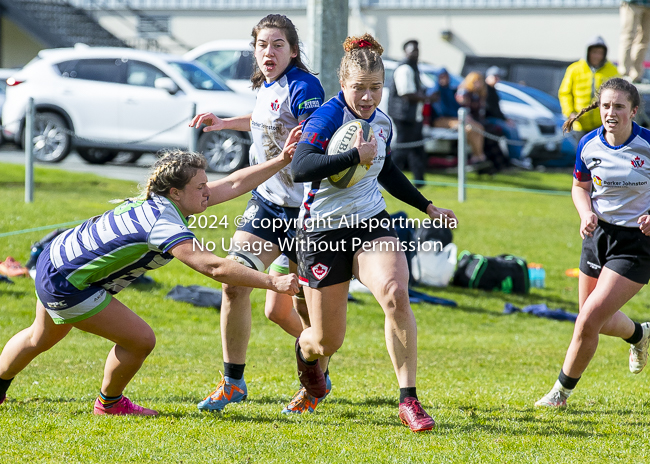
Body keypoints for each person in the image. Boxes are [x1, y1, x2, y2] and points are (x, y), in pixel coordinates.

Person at [0, 150, 300, 415]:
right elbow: (214, 267)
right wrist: (272, 282)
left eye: (207, 183)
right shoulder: (163, 224)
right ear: (176, 192)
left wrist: (282, 160)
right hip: (68, 281)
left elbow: (233, 183)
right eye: (201, 186)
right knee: (140, 340)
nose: (208, 191)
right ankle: (110, 404)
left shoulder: (160, 201)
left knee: (38, 338)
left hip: (55, 260)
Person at [291, 33, 457, 432]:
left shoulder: (382, 122)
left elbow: (384, 168)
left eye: (376, 88)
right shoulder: (328, 117)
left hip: (370, 220)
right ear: (343, 84)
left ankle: (409, 401)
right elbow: (301, 167)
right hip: (323, 230)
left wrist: (426, 206)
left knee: (397, 294)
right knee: (327, 341)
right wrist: (352, 156)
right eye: (359, 89)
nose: (368, 98)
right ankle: (309, 363)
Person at [189, 14, 330, 415]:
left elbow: (311, 134)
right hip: (267, 204)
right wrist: (225, 124)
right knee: (234, 284)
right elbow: (265, 122)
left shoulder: (305, 86)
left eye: (278, 44)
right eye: (262, 45)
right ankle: (233, 382)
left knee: (292, 308)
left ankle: (314, 376)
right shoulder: (267, 86)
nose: (269, 52)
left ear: (293, 50)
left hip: (308, 214)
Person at [535, 77, 650, 408]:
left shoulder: (647, 145)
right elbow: (580, 187)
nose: (610, 112)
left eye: (618, 106)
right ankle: (641, 335)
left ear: (634, 111)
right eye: (605, 105)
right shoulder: (588, 145)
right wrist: (585, 213)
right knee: (591, 318)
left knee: (588, 321)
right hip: (597, 236)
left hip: (636, 243)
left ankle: (560, 393)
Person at [558, 36, 619, 139]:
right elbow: (565, 93)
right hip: (580, 125)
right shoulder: (574, 69)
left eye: (600, 53)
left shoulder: (613, 70)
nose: (597, 56)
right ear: (588, 52)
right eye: (594, 52)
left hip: (603, 124)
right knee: (581, 153)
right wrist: (570, 113)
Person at [387, 40, 428, 186]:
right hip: (403, 115)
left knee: (417, 149)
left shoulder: (414, 68)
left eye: (417, 50)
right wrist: (427, 98)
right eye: (413, 50)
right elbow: (406, 94)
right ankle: (390, 178)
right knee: (402, 149)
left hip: (413, 115)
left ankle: (420, 181)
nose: (416, 53)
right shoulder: (405, 68)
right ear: (406, 52)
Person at [430, 69, 486, 167]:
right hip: (440, 120)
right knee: (468, 128)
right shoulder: (435, 91)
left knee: (479, 127)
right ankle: (477, 156)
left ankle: (478, 155)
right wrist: (458, 116)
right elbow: (442, 110)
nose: (444, 80)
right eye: (442, 77)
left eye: (446, 77)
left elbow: (456, 107)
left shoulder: (449, 91)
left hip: (453, 118)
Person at [484, 66, 522, 161]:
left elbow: (497, 110)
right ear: (488, 77)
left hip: (495, 118)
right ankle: (515, 157)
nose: (497, 79)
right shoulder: (485, 90)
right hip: (488, 119)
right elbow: (491, 110)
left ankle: (518, 157)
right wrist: (504, 120)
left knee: (513, 128)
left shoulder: (493, 91)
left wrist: (506, 119)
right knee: (509, 129)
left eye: (498, 77)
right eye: (495, 76)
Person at [618, 0, 650, 83]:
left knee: (644, 40)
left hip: (648, 5)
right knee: (628, 36)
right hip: (632, 3)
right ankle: (624, 73)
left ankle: (637, 75)